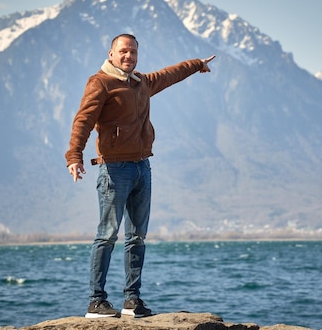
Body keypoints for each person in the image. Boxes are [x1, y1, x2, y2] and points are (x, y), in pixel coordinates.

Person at [65, 33, 215, 319]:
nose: (128, 56)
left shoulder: (141, 82)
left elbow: (169, 75)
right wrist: (74, 156)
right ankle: (96, 301)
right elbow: (83, 120)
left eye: (133, 52)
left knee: (137, 237)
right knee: (106, 236)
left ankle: (132, 301)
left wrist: (196, 64)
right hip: (114, 169)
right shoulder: (100, 83)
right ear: (111, 54)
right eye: (123, 52)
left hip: (142, 167)